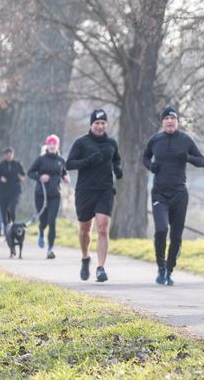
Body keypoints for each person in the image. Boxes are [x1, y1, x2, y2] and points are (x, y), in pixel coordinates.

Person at [142, 107, 204, 286]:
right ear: (162, 122)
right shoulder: (155, 140)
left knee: (176, 236)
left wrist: (187, 157)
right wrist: (150, 166)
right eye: (167, 118)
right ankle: (161, 268)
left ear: (177, 122)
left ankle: (169, 270)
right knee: (161, 229)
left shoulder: (185, 140)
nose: (170, 121)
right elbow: (145, 157)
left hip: (179, 194)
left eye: (173, 119)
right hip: (159, 192)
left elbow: (201, 161)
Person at [66, 109, 122, 282]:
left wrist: (117, 169)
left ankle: (101, 268)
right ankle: (85, 257)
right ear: (91, 124)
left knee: (103, 228)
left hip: (105, 190)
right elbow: (69, 164)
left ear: (106, 124)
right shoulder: (81, 143)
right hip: (85, 191)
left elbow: (116, 160)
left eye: (103, 123)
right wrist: (88, 161)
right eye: (97, 123)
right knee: (85, 230)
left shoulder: (111, 143)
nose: (100, 126)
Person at [28, 134, 70, 259]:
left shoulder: (61, 160)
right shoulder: (41, 159)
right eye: (50, 143)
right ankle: (41, 232)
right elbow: (30, 172)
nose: (52, 146)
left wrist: (66, 178)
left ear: (57, 145)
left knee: (52, 221)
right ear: (47, 145)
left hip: (55, 195)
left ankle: (50, 249)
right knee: (44, 221)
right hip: (41, 194)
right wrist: (40, 177)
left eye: (54, 143)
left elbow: (64, 172)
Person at [0, 147, 25, 225]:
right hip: (3, 192)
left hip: (14, 191)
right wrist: (1, 178)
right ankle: (6, 229)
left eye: (10, 154)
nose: (8, 156)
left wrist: (21, 178)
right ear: (4, 155)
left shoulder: (17, 164)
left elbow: (23, 176)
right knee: (4, 211)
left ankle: (12, 225)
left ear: (13, 154)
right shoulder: (1, 165)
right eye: (7, 154)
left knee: (12, 209)